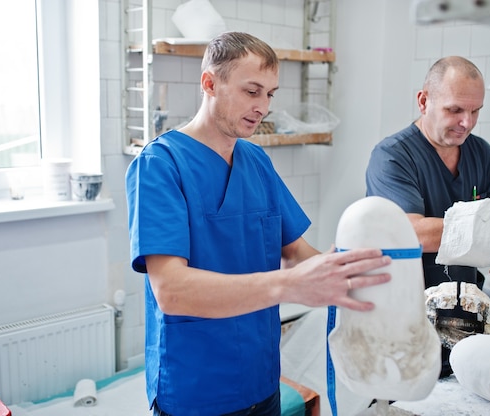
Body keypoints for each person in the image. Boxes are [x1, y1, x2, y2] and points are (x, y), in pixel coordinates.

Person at [125, 31, 391, 416]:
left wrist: (348, 277)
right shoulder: (160, 166)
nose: (263, 106)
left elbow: (296, 251)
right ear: (209, 83)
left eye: (270, 93)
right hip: (197, 390)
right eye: (252, 91)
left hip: (262, 379)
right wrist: (291, 285)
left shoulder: (257, 162)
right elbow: (172, 291)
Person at [365, 56, 490, 377]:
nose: (467, 122)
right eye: (455, 110)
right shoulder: (393, 156)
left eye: (475, 111)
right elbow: (413, 233)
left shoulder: (482, 154)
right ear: (424, 101)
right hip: (406, 320)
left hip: (465, 315)